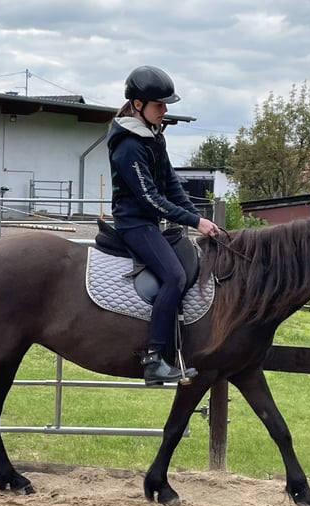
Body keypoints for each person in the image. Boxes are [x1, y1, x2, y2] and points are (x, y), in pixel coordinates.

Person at [107, 65, 219, 386]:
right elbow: (150, 199)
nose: (165, 110)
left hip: (150, 224)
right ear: (138, 105)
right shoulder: (128, 145)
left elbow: (171, 186)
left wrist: (200, 219)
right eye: (160, 105)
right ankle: (155, 359)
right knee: (173, 275)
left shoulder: (153, 138)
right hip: (134, 224)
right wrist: (195, 220)